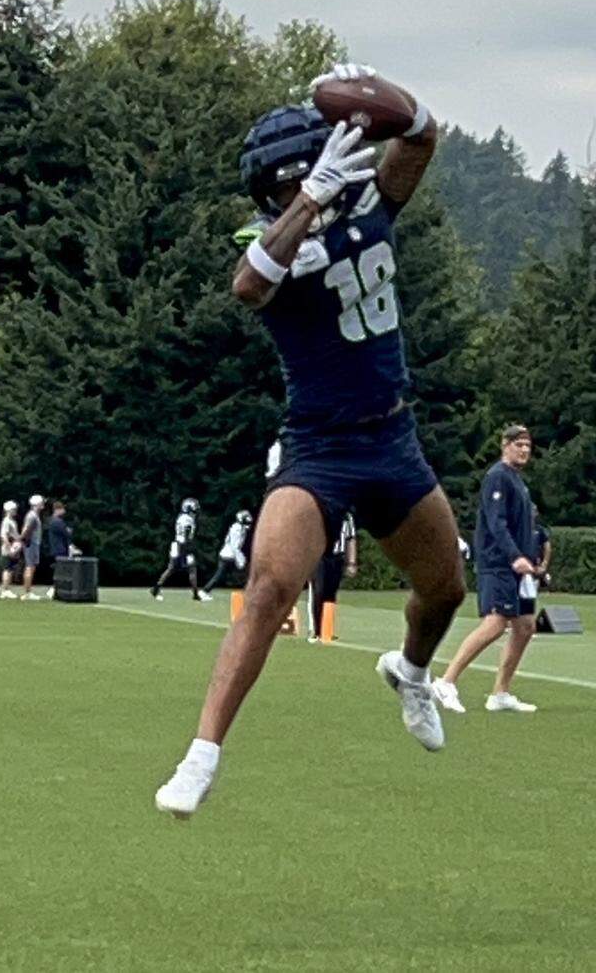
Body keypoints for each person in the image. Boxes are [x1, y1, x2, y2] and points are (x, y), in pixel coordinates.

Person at [156, 63, 466, 818]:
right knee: (267, 589)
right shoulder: (276, 241)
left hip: (393, 438)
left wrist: (395, 98)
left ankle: (413, 671)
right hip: (319, 449)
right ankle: (202, 754)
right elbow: (250, 283)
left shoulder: (370, 208)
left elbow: (422, 142)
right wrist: (312, 197)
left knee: (447, 587)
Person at [432, 425, 539, 715]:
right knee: (495, 623)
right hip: (499, 564)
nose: (524, 450)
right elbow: (497, 522)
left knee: (526, 626)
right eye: (518, 444)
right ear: (505, 445)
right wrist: (514, 556)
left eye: (528, 445)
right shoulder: (497, 477)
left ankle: (500, 693)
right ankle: (446, 681)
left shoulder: (518, 481)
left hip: (520, 570)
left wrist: (531, 558)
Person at [306, 511, 357, 642]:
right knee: (318, 592)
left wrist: (351, 562)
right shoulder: (320, 512)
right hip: (319, 557)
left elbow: (350, 539)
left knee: (331, 594)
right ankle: (315, 630)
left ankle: (326, 630)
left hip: (337, 557)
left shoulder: (346, 516)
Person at [150, 499, 204, 602]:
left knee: (171, 569)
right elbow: (187, 533)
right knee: (192, 568)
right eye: (194, 508)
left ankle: (156, 588)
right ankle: (195, 593)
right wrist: (187, 548)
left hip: (176, 544)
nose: (195, 510)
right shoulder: (188, 519)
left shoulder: (180, 517)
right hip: (183, 546)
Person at [201, 510, 255, 597]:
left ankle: (206, 590)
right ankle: (205, 591)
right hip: (228, 556)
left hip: (228, 554)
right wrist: (240, 559)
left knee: (240, 573)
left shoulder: (237, 527)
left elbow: (228, 540)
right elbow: (235, 546)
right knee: (220, 575)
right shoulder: (237, 529)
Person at [20, 494, 45, 601]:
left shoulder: (34, 515)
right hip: (31, 543)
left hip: (33, 543)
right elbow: (26, 530)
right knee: (30, 567)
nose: (43, 505)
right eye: (41, 503)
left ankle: (28, 591)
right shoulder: (32, 516)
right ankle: (27, 592)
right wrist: (22, 539)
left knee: (31, 567)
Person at [0, 500, 22, 600]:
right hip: (8, 549)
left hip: (13, 548)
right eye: (14, 509)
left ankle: (7, 588)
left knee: (10, 569)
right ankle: (5, 590)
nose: (15, 511)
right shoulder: (6, 521)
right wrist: (10, 548)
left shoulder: (12, 521)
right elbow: (4, 536)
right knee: (7, 569)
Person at [532, 504, 552, 589]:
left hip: (535, 565)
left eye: (533, 511)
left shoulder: (539, 530)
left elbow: (547, 547)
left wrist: (544, 564)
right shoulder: (519, 529)